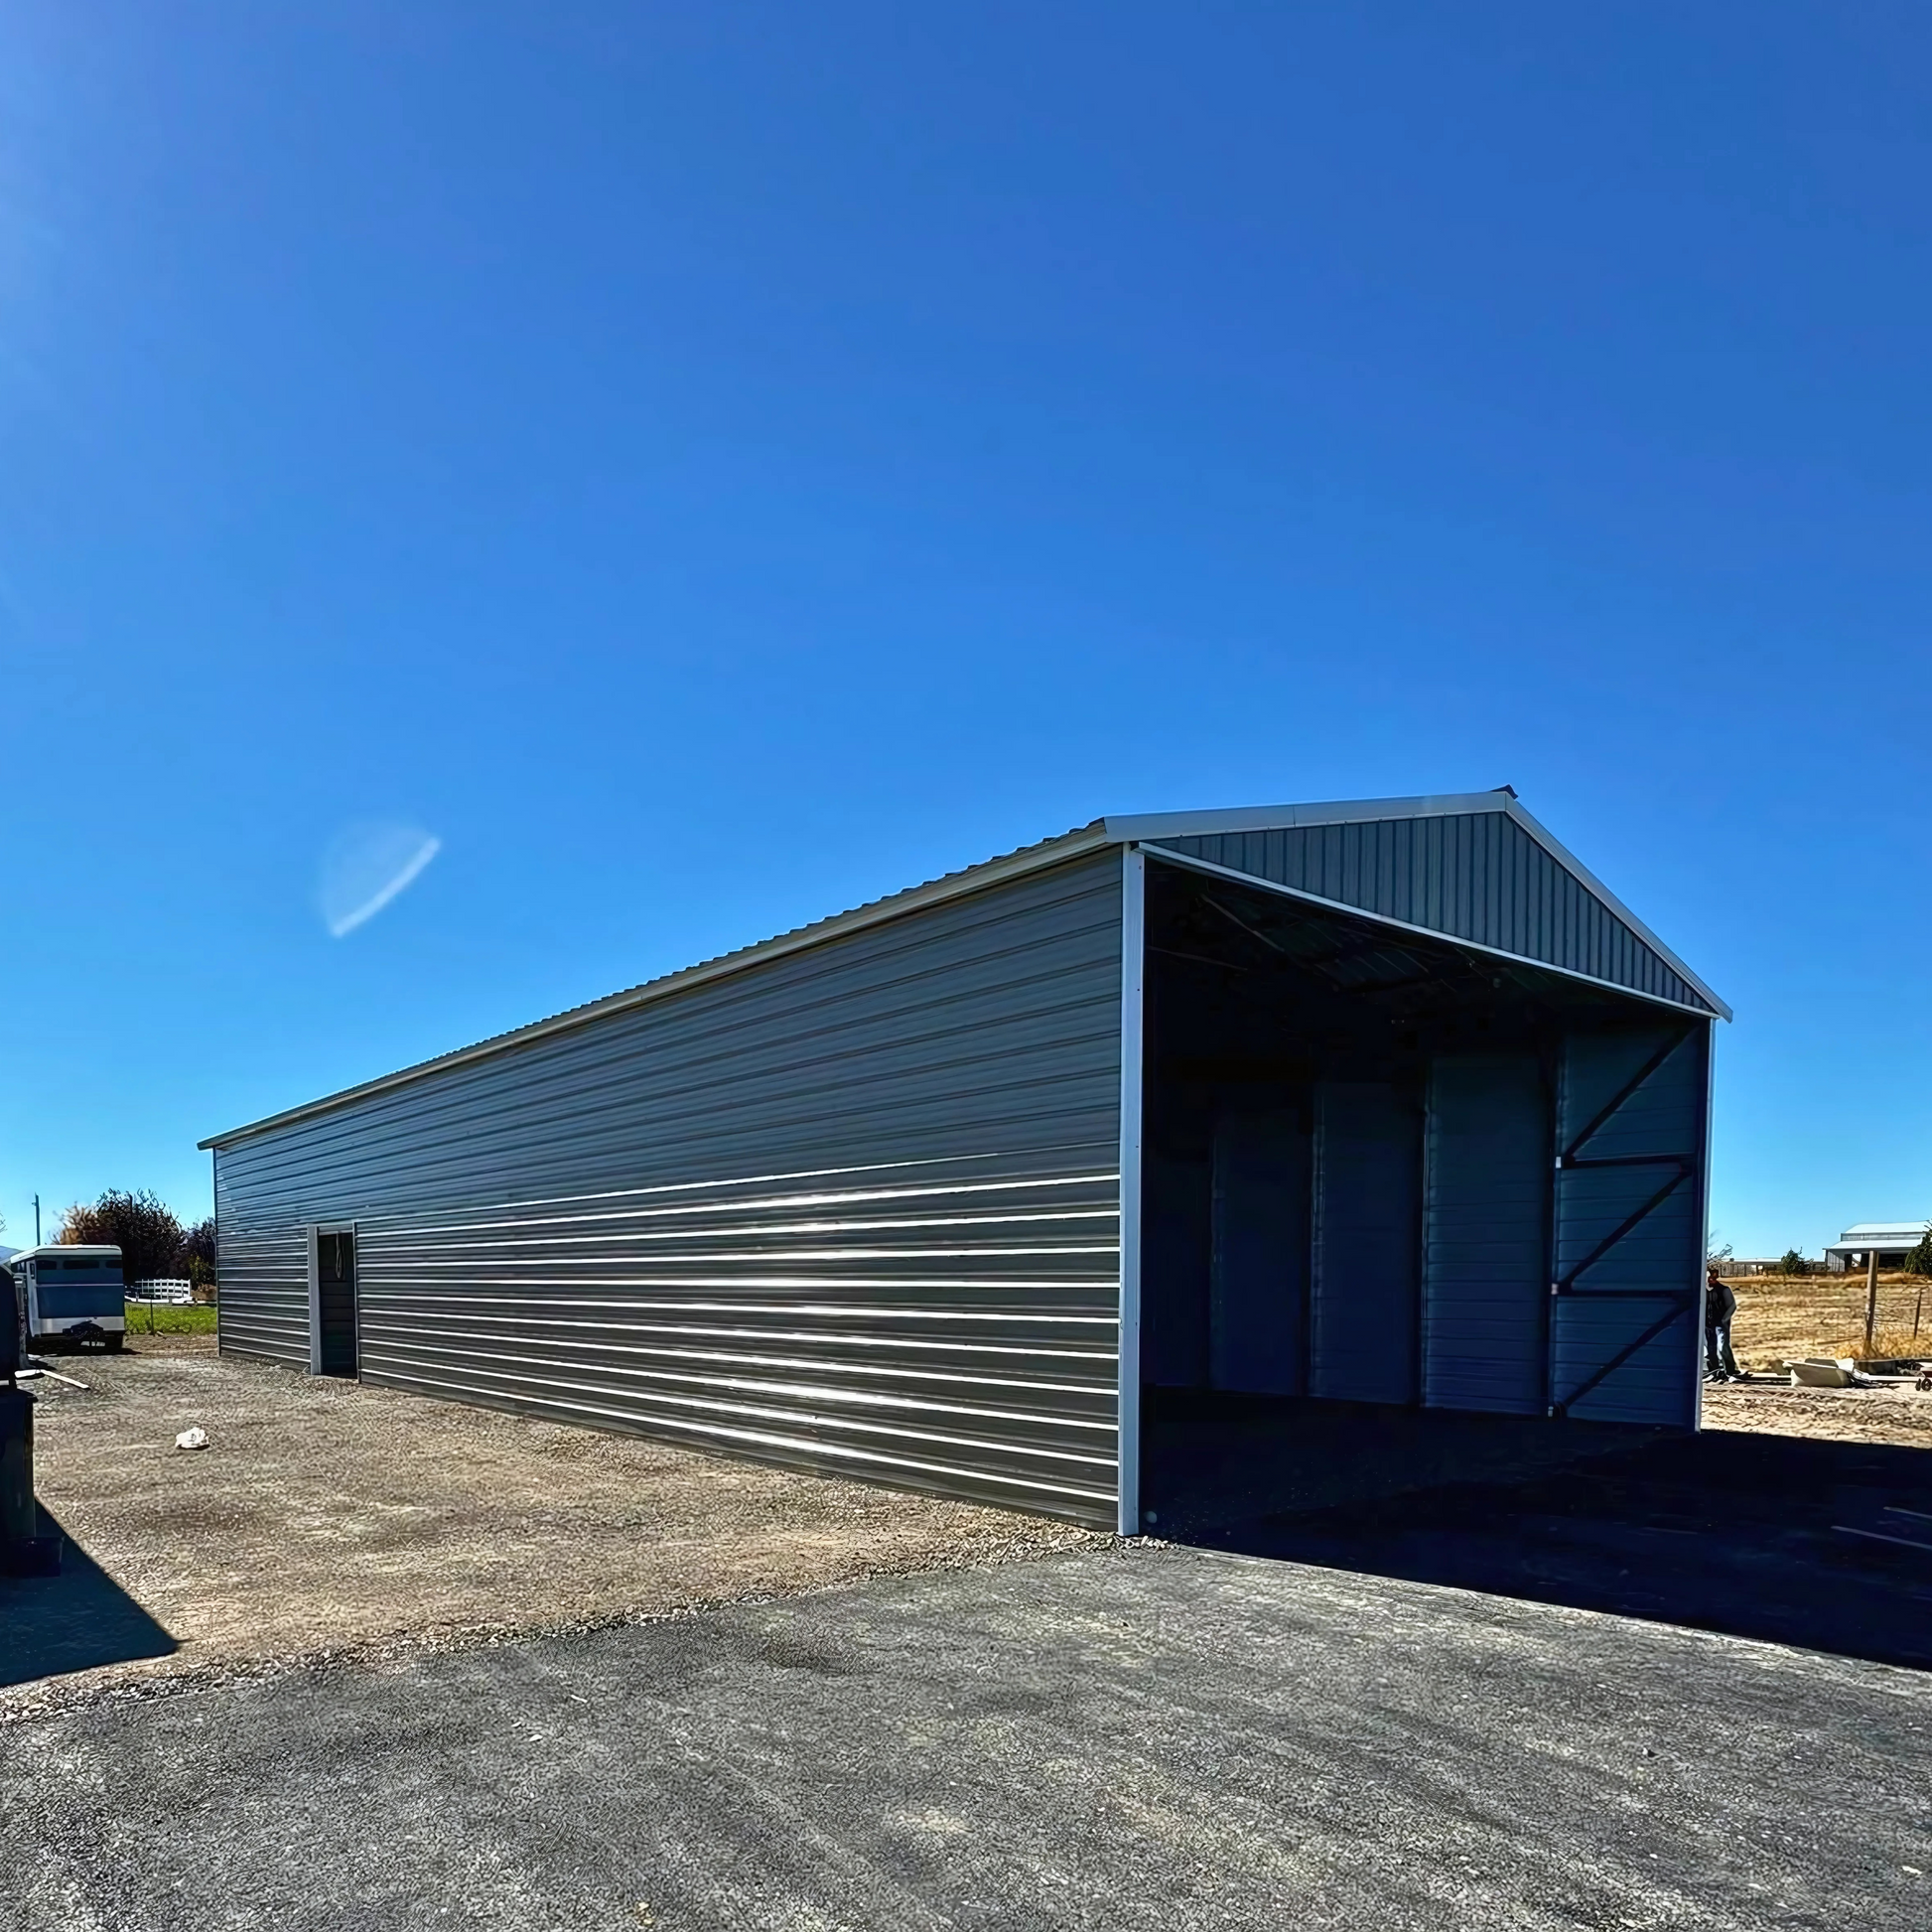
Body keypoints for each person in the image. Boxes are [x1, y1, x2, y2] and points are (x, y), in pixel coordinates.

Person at [1705, 1266, 1742, 1382]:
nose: (1712, 1280)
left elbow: (1732, 1306)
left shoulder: (1724, 1289)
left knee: (1722, 1347)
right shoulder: (1702, 1290)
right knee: (1709, 1349)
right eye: (1710, 1277)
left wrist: (1725, 1319)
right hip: (1707, 1324)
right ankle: (1713, 1372)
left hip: (1720, 1324)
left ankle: (1730, 1372)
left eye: (1714, 1277)